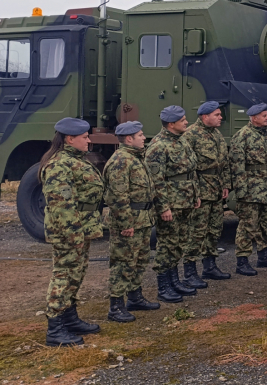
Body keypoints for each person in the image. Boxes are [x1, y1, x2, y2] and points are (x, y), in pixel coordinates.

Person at [41, 117, 105, 346]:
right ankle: (55, 328)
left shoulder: (75, 160)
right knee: (64, 275)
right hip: (69, 231)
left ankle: (69, 318)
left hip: (81, 228)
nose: (88, 141)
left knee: (76, 273)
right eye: (84, 137)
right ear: (70, 139)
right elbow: (61, 205)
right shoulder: (59, 164)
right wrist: (74, 234)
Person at [103, 121, 160, 322]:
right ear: (129, 139)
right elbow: (118, 197)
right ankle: (116, 306)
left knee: (140, 260)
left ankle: (135, 297)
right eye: (140, 135)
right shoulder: (120, 161)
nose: (144, 138)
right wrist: (126, 224)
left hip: (142, 219)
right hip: (129, 221)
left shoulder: (136, 158)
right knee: (123, 262)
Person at [145, 106, 201, 302]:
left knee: (179, 242)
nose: (187, 122)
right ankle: (163, 286)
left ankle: (174, 281)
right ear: (171, 124)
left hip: (185, 200)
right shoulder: (158, 146)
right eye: (182, 120)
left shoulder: (182, 140)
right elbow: (156, 181)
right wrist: (163, 207)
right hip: (171, 203)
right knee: (167, 244)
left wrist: (195, 195)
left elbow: (191, 171)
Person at [229, 103, 267, 276]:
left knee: (265, 224)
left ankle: (264, 257)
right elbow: (237, 166)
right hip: (251, 190)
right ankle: (242, 262)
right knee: (247, 225)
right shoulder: (242, 136)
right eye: (264, 116)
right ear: (254, 118)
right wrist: (241, 191)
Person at [181, 101, 232, 281]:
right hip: (201, 191)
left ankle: (210, 266)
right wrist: (194, 193)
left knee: (214, 229)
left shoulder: (217, 134)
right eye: (217, 115)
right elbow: (187, 169)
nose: (220, 118)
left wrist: (225, 184)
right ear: (205, 117)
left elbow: (224, 163)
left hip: (216, 189)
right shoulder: (190, 135)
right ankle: (190, 271)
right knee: (196, 231)